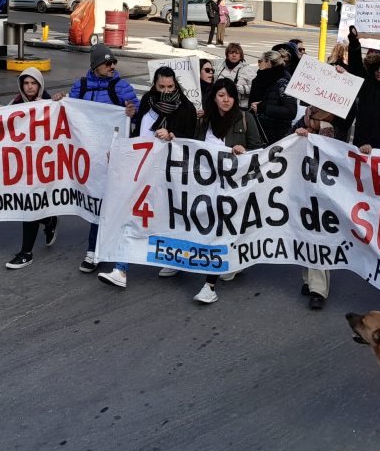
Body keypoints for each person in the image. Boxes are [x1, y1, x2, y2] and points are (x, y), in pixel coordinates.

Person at [166, 79, 264, 304]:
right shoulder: (205, 120)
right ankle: (186, 259)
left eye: (229, 95)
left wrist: (244, 151)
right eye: (221, 95)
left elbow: (259, 151)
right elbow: (191, 146)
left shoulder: (245, 118)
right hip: (206, 185)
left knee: (219, 230)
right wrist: (172, 138)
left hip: (232, 187)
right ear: (214, 98)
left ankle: (210, 285)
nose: (226, 100)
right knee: (203, 226)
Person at [99, 67, 197, 290]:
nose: (165, 91)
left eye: (170, 87)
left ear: (176, 85)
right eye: (161, 86)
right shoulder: (147, 102)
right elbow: (137, 136)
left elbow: (191, 143)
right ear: (154, 85)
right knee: (133, 215)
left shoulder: (186, 109)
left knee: (167, 219)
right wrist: (122, 152)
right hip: (141, 171)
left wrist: (172, 136)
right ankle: (121, 269)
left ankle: (176, 258)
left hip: (167, 175)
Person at [69, 44, 138, 274]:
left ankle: (99, 250)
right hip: (89, 155)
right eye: (107, 63)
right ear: (95, 66)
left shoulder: (121, 87)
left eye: (114, 62)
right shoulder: (82, 86)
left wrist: (131, 112)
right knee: (96, 200)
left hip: (113, 155)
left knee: (111, 202)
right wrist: (60, 100)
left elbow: (136, 111)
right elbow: (69, 109)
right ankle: (94, 250)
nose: (112, 66)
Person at [3, 67, 60, 269]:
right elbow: (1, 124)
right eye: (26, 83)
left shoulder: (49, 103)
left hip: (43, 166)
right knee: (27, 205)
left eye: (33, 83)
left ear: (39, 85)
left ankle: (26, 252)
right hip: (22, 165)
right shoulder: (15, 104)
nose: (29, 87)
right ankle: (50, 220)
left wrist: (50, 106)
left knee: (30, 207)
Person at [249, 50, 297, 143]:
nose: (258, 64)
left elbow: (291, 111)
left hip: (277, 134)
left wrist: (263, 108)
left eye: (260, 61)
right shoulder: (260, 78)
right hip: (258, 130)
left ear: (268, 63)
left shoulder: (283, 81)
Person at [218, 43, 255, 108]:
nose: (234, 55)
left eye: (237, 53)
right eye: (231, 53)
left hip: (240, 107)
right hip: (221, 106)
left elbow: (255, 87)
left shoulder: (248, 69)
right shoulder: (220, 67)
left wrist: (238, 88)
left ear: (241, 56)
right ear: (227, 55)